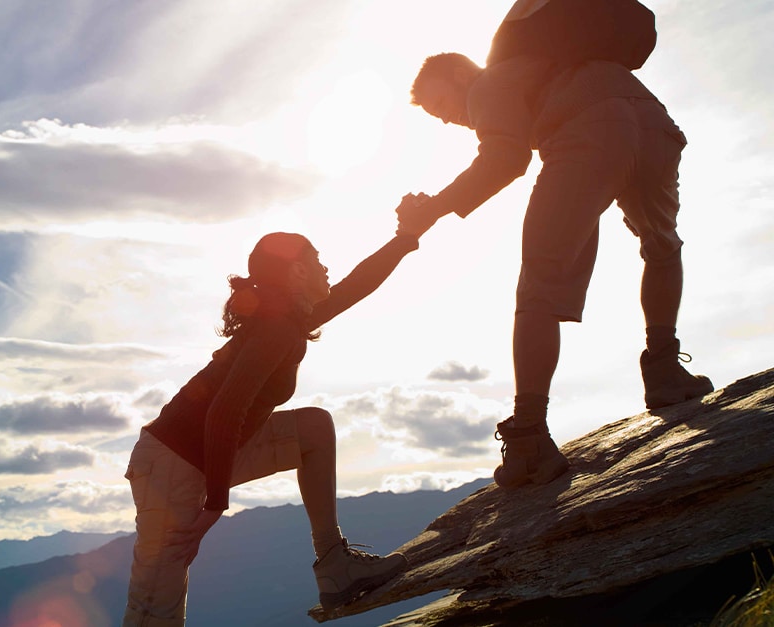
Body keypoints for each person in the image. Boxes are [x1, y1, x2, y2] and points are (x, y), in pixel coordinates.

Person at [398, 50, 713, 491]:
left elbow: (505, 158)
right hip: (655, 123)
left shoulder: (490, 82)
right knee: (662, 245)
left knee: (539, 287)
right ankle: (664, 370)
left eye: (441, 105)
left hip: (590, 131)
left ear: (457, 73)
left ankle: (528, 438)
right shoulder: (549, 63)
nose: (449, 120)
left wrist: (431, 209)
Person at [122, 224, 421, 626]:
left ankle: (335, 564)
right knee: (154, 607)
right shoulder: (277, 327)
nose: (326, 268)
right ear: (297, 271)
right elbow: (225, 411)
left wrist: (406, 236)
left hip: (207, 454)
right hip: (170, 464)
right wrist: (214, 507)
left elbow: (355, 286)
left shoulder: (289, 318)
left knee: (313, 428)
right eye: (317, 259)